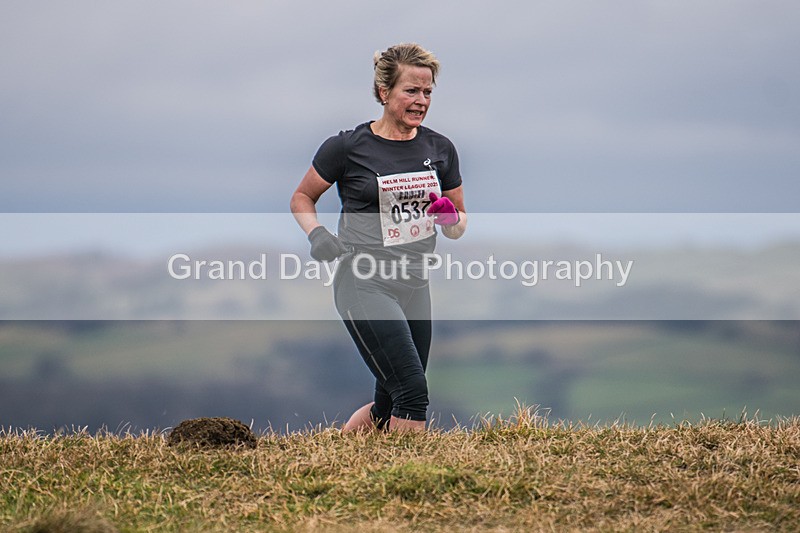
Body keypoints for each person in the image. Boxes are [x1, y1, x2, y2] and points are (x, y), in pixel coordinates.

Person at [290, 43, 466, 433]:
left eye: (428, 92)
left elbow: (457, 224)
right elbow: (302, 197)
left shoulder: (440, 149)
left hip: (415, 283)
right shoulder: (348, 147)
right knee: (412, 392)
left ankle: (345, 452)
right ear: (385, 93)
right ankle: (409, 483)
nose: (421, 101)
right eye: (411, 91)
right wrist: (316, 233)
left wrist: (448, 217)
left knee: (390, 399)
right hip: (364, 281)